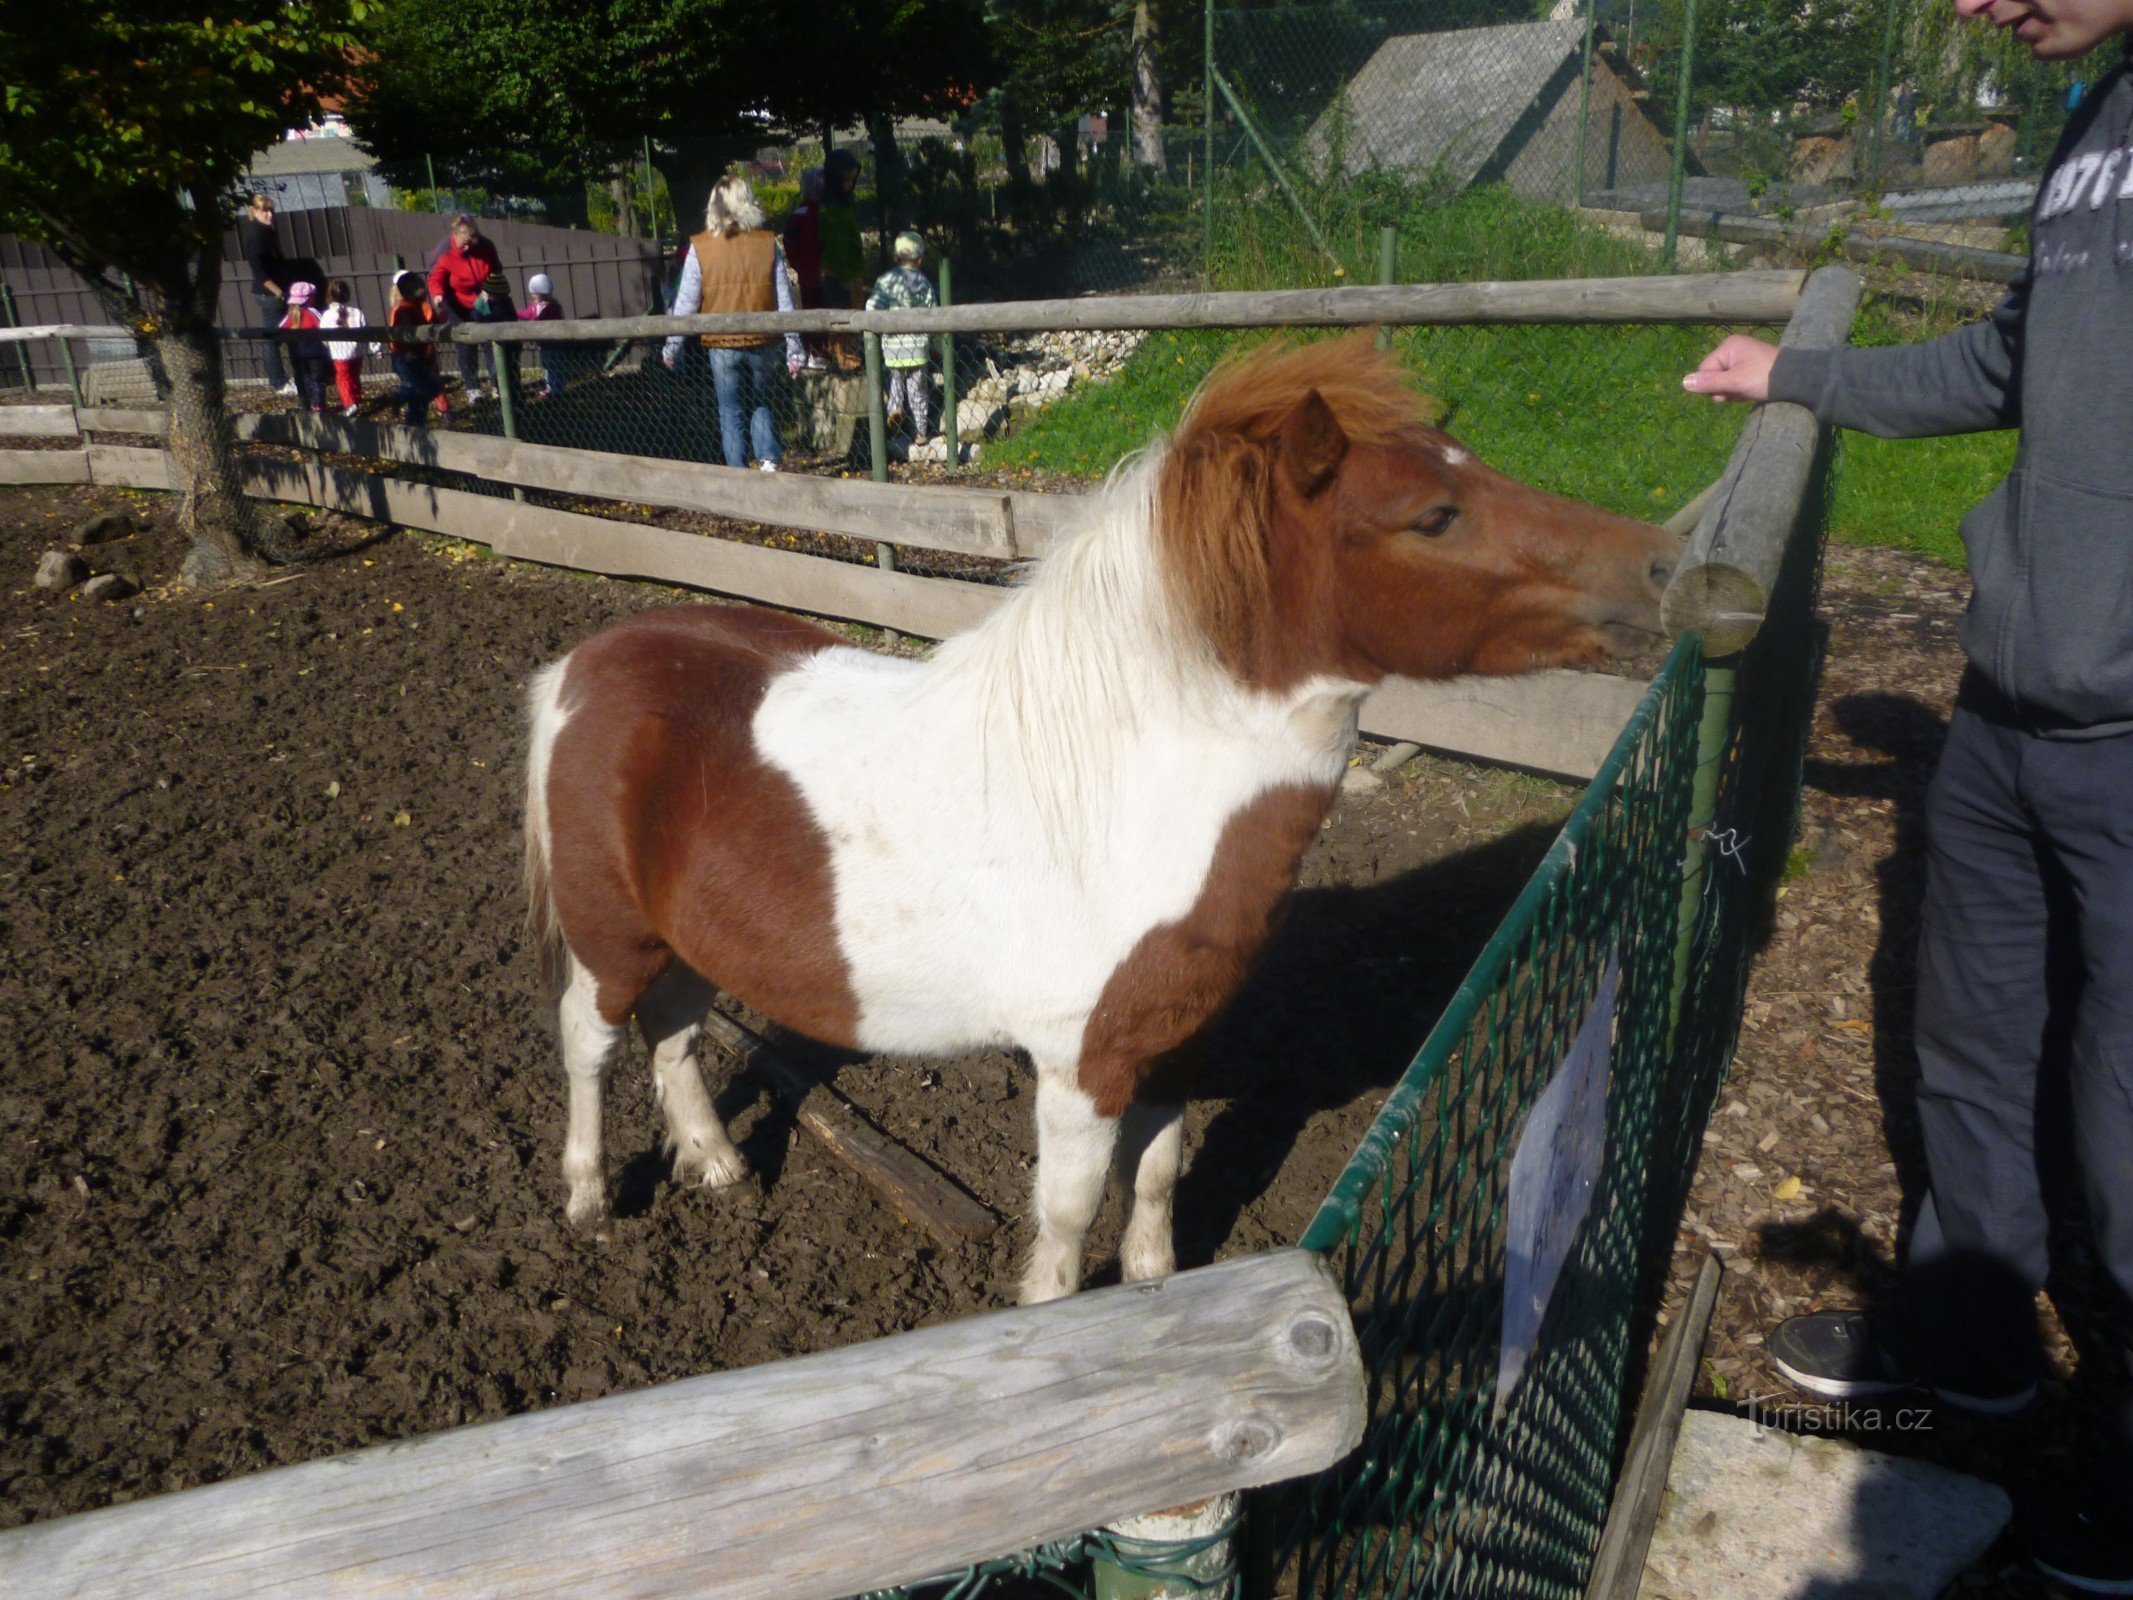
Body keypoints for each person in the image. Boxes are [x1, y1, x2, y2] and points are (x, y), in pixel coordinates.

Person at [1683, 1, 2133, 1590]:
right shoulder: (2093, 123)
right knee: (1971, 1035)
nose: (1973, 9)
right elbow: (2010, 357)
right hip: (2011, 708)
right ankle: (1972, 1349)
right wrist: (1796, 373)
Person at [660, 176, 805, 472]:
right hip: (764, 341)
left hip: (721, 343)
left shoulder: (701, 247)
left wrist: (673, 345)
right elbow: (784, 298)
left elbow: (685, 302)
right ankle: (767, 461)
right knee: (761, 401)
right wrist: (795, 346)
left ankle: (736, 472)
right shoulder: (767, 243)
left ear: (714, 205)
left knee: (730, 411)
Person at [426, 213, 512, 395]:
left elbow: (496, 269)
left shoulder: (486, 246)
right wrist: (438, 296)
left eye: (471, 243)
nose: (467, 247)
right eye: (463, 243)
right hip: (457, 301)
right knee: (465, 345)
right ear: (455, 236)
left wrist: (489, 289)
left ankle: (498, 384)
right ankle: (473, 388)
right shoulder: (445, 250)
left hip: (482, 298)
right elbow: (435, 277)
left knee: (491, 341)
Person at [868, 231, 939, 442]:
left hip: (893, 346)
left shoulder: (886, 281)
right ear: (920, 259)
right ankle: (920, 431)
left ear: (895, 258)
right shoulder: (925, 283)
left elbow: (872, 307)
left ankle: (895, 408)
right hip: (917, 347)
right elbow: (934, 314)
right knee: (918, 391)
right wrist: (935, 344)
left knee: (895, 383)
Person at [237, 193, 294, 396]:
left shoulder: (268, 231)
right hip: (268, 295)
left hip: (280, 292)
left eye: (271, 210)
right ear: (254, 212)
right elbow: (259, 272)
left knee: (287, 335)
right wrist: (278, 292)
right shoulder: (255, 236)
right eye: (264, 211)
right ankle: (278, 382)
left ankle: (288, 377)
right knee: (271, 340)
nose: (269, 215)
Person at [818, 148, 867, 372]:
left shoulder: (842, 204)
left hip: (849, 272)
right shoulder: (831, 209)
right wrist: (846, 278)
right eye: (846, 179)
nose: (849, 184)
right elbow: (836, 248)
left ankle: (849, 356)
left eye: (852, 180)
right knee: (841, 319)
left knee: (849, 320)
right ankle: (844, 360)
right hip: (839, 275)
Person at [783, 167, 830, 369]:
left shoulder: (801, 212)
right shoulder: (827, 211)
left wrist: (798, 264)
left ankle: (817, 351)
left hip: (810, 274)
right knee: (826, 311)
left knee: (812, 312)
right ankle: (821, 352)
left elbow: (789, 241)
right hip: (825, 273)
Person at [387, 271, 447, 426]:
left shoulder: (416, 307)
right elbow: (403, 333)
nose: (425, 290)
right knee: (431, 388)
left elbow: (433, 322)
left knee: (419, 397)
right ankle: (401, 395)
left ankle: (415, 426)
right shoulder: (405, 309)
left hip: (415, 356)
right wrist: (408, 351)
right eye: (420, 287)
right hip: (406, 357)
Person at [317, 279, 368, 418]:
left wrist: (327, 345)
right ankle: (357, 399)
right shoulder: (357, 312)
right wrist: (376, 348)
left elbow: (323, 334)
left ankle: (350, 403)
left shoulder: (328, 315)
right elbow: (366, 331)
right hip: (357, 352)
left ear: (329, 295)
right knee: (354, 376)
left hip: (340, 354)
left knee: (342, 379)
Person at [278, 281, 328, 414]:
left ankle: (308, 400)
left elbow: (280, 329)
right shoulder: (312, 313)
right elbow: (325, 326)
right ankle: (318, 405)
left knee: (305, 377)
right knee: (317, 379)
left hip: (298, 353)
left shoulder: (291, 315)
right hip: (315, 352)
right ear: (310, 298)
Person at [518, 272, 567, 398]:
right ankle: (550, 388)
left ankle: (557, 390)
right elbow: (527, 314)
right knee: (547, 365)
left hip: (553, 341)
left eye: (535, 293)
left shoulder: (552, 307)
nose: (533, 295)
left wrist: (534, 325)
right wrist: (514, 313)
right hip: (543, 342)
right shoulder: (535, 306)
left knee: (555, 365)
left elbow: (542, 320)